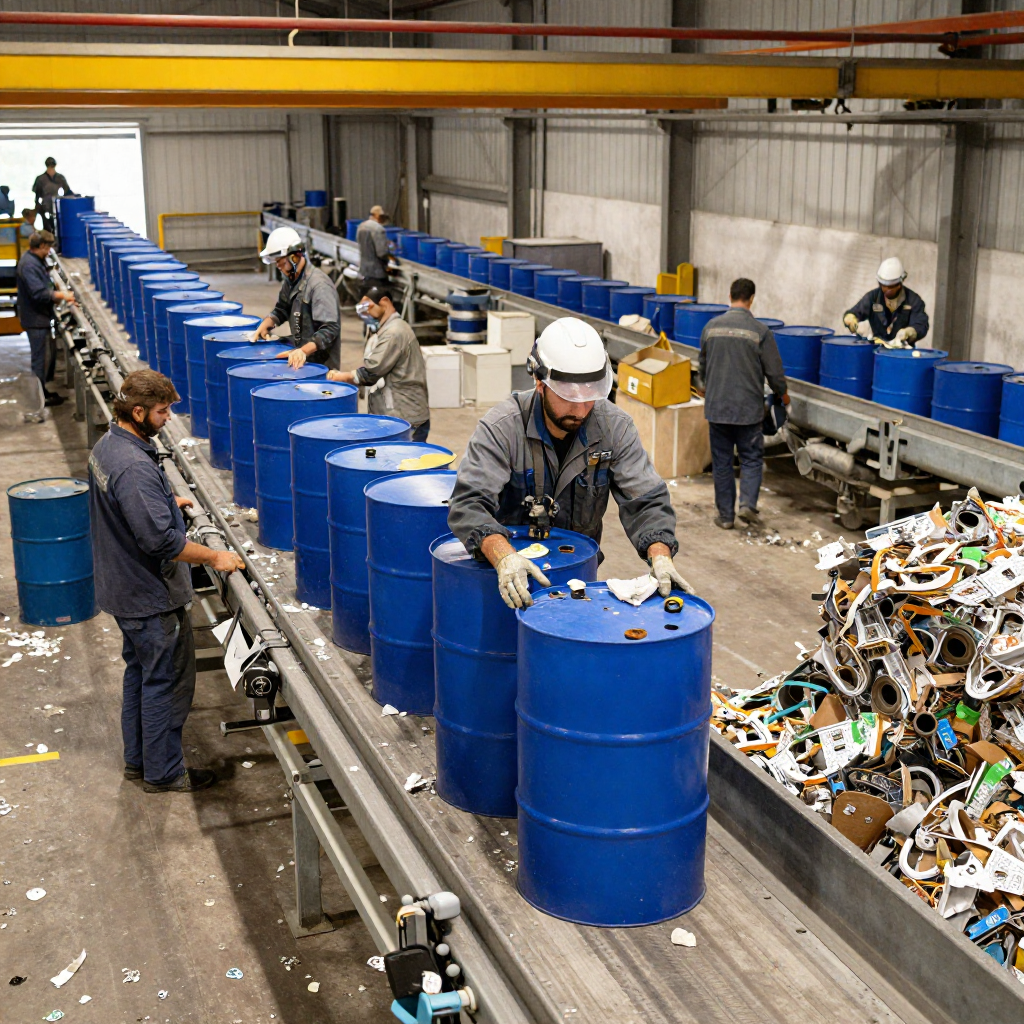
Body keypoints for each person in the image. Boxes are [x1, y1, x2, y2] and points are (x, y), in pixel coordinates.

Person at [448, 316, 691, 610]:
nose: (581, 408)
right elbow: (469, 503)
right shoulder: (502, 428)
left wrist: (660, 555)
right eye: (568, 396)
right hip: (509, 577)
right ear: (539, 382)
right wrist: (503, 556)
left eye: (590, 396)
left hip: (578, 574)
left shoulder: (614, 428)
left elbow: (646, 501)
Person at [88, 369, 245, 793]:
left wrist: (162, 501)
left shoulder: (108, 446)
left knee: (140, 675)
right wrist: (216, 556)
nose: (169, 417)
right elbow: (160, 541)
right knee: (166, 684)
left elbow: (128, 506)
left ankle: (138, 763)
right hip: (148, 597)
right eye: (162, 411)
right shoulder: (133, 467)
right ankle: (165, 773)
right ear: (137, 411)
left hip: (120, 588)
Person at [699, 278, 789, 531]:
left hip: (717, 409)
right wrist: (783, 395)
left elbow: (702, 372)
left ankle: (725, 517)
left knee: (723, 461)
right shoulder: (760, 331)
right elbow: (775, 373)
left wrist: (709, 390)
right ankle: (747, 505)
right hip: (748, 411)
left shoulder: (710, 328)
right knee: (750, 459)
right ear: (751, 299)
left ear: (730, 296)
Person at [327, 285, 430, 440]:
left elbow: (371, 373)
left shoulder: (394, 333)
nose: (366, 314)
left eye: (368, 307)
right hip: (398, 414)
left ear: (384, 302)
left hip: (406, 418)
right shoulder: (385, 331)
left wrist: (342, 377)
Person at [252, 226, 342, 369]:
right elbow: (282, 309)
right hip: (301, 359)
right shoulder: (291, 280)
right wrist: (267, 324)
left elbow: (330, 329)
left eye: (281, 263)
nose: (279, 268)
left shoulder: (319, 286)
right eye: (277, 264)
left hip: (320, 366)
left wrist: (303, 351)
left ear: (295, 257)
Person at [16, 229, 76, 406]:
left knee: (45, 359)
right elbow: (38, 293)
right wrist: (61, 296)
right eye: (48, 247)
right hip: (34, 319)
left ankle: (43, 392)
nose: (49, 251)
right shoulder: (29, 265)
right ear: (41, 245)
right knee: (39, 360)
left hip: (40, 316)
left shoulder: (35, 261)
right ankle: (38, 399)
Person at [843, 257, 929, 348]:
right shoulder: (873, 297)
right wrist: (850, 318)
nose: (887, 290)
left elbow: (921, 325)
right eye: (883, 286)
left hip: (903, 353)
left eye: (891, 287)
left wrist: (909, 332)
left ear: (899, 284)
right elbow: (854, 312)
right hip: (877, 350)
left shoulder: (913, 300)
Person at [356, 204, 393, 294]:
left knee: (366, 300)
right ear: (377, 216)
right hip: (377, 273)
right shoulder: (378, 229)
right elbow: (381, 253)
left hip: (364, 271)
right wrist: (390, 259)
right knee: (379, 301)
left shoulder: (361, 226)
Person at [31, 157, 73, 235]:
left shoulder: (60, 178)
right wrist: (39, 209)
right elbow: (37, 196)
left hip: (57, 206)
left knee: (58, 228)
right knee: (48, 229)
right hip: (46, 207)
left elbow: (68, 192)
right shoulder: (41, 179)